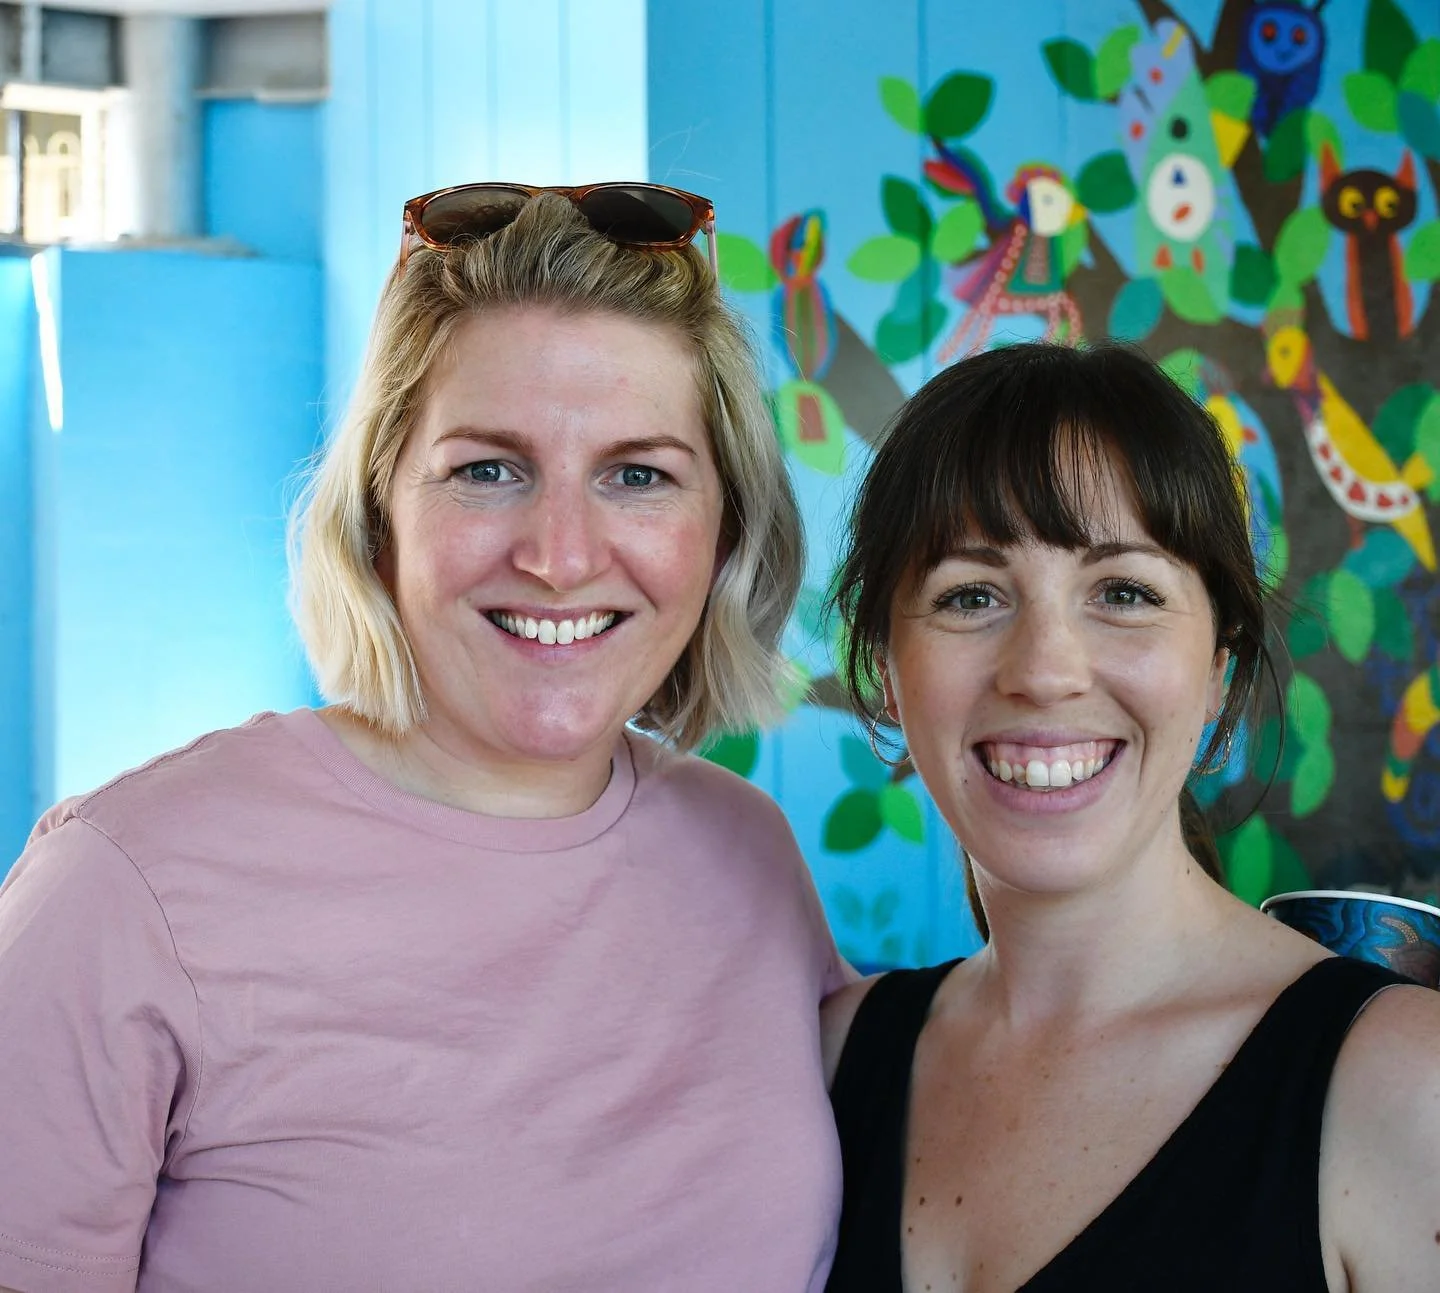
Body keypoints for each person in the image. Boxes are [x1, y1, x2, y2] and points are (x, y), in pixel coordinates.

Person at [0, 184, 846, 1292]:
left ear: (723, 526)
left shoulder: (748, 852)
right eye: (488, 470)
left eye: (637, 476)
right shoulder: (120, 890)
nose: (559, 553)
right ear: (380, 506)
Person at [820, 341, 1440, 1292]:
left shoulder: (1404, 1088)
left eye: (1124, 592)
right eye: (971, 594)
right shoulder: (829, 1063)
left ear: (1217, 676)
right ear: (888, 676)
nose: (1044, 668)